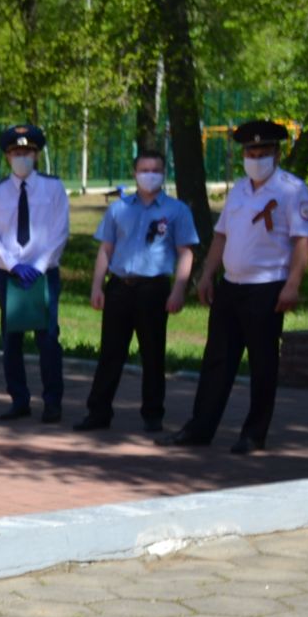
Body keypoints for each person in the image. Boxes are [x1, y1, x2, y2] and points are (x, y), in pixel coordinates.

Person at [170, 119, 308, 455]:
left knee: (263, 362)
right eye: (251, 150)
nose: (256, 155)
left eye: (263, 151)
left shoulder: (293, 190)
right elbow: (222, 235)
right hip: (231, 286)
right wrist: (207, 275)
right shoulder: (239, 189)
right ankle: (200, 428)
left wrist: (293, 285)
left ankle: (254, 433)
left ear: (277, 153)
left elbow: (302, 241)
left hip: (267, 287)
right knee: (217, 360)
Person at [74, 149, 198, 432]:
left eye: (155, 169)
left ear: (164, 173)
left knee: (153, 354)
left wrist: (179, 290)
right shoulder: (119, 208)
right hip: (119, 286)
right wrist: (97, 286)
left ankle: (153, 414)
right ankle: (98, 412)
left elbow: (186, 252)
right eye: (144, 170)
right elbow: (106, 249)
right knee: (110, 353)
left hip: (154, 288)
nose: (149, 175)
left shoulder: (177, 210)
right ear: (135, 173)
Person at [0, 124, 68, 423]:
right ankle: (19, 399)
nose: (22, 156)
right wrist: (12, 265)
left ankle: (53, 400)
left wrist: (39, 266)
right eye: (16, 152)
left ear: (37, 154)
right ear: (7, 156)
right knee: (11, 340)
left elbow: (60, 231)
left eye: (28, 151)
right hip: (11, 275)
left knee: (48, 339)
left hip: (44, 274)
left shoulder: (53, 188)